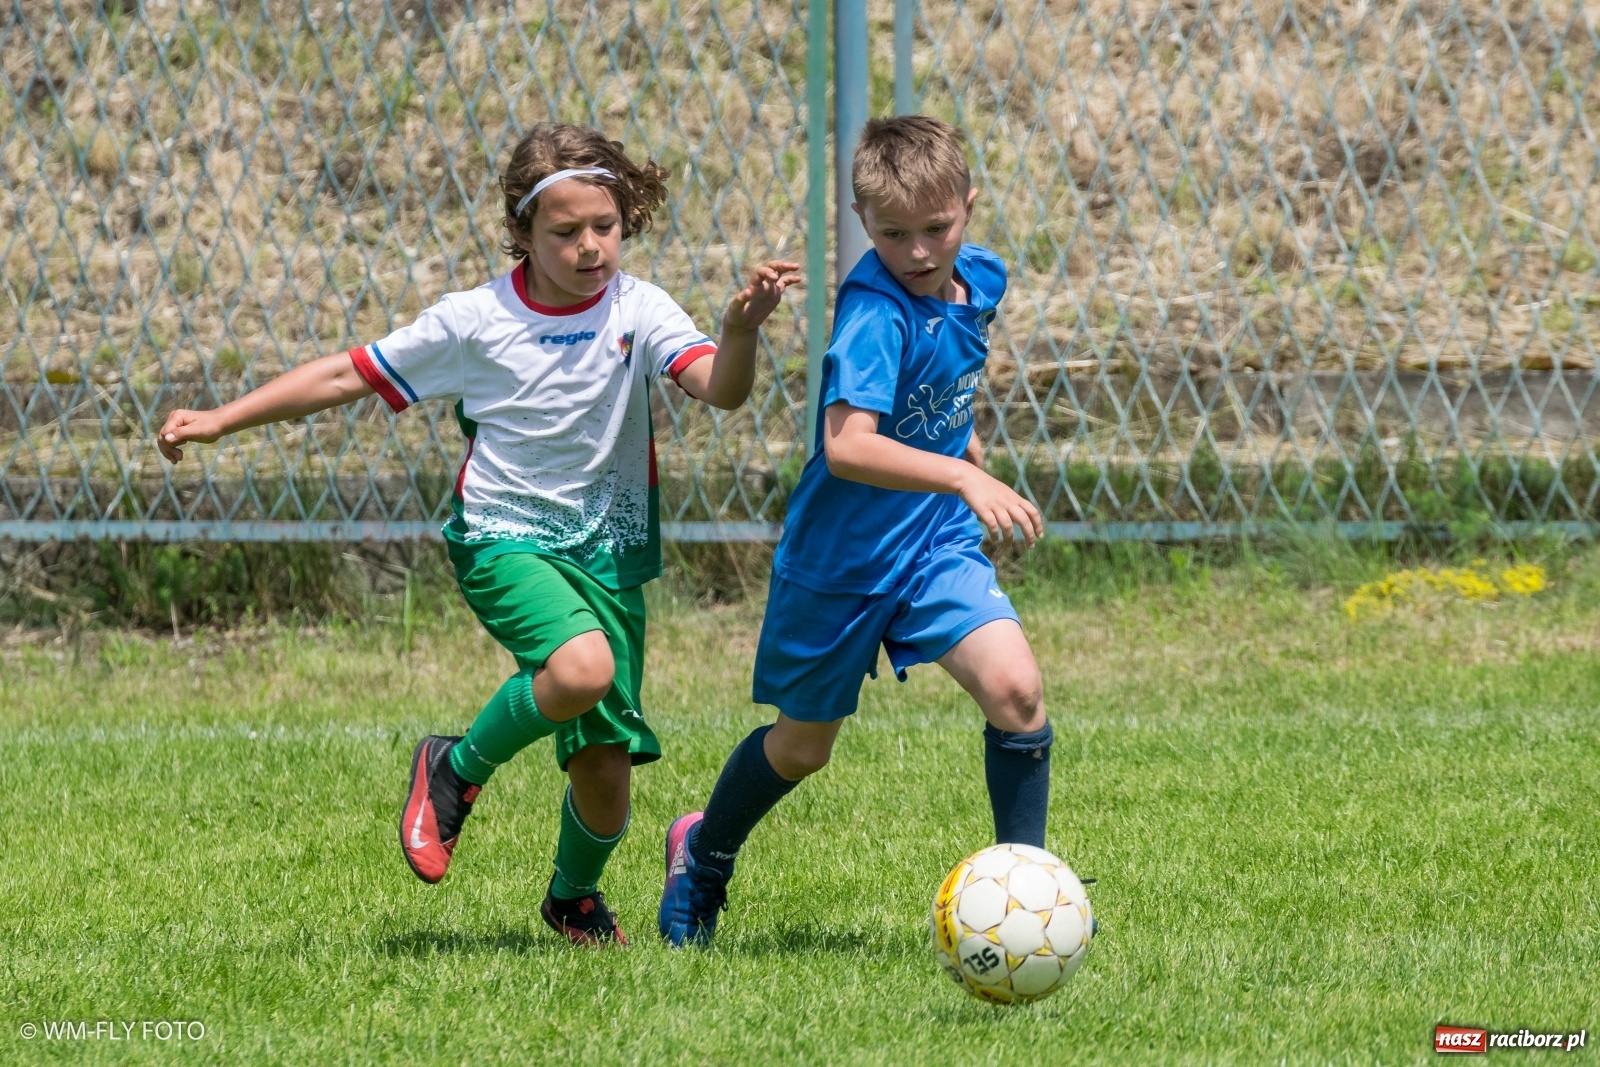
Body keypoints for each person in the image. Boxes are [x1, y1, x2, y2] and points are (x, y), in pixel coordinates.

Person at [158, 122, 801, 946]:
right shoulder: (475, 320)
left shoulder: (638, 309)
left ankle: (572, 897)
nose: (590, 247)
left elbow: (721, 389)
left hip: (605, 553)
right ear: (522, 232)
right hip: (502, 537)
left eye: (603, 226)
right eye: (565, 232)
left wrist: (741, 329)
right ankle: (454, 768)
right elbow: (342, 373)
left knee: (605, 772)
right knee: (581, 667)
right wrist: (220, 420)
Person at [658, 114, 1050, 947]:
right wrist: (964, 473)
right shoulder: (871, 314)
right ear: (862, 227)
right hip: (842, 562)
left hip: (933, 545)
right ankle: (703, 852)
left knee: (1016, 693)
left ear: (968, 208)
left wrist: (961, 439)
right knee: (802, 749)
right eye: (893, 234)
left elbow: (944, 374)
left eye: (935, 228)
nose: (917, 251)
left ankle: (1027, 897)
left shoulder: (979, 277)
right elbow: (847, 445)